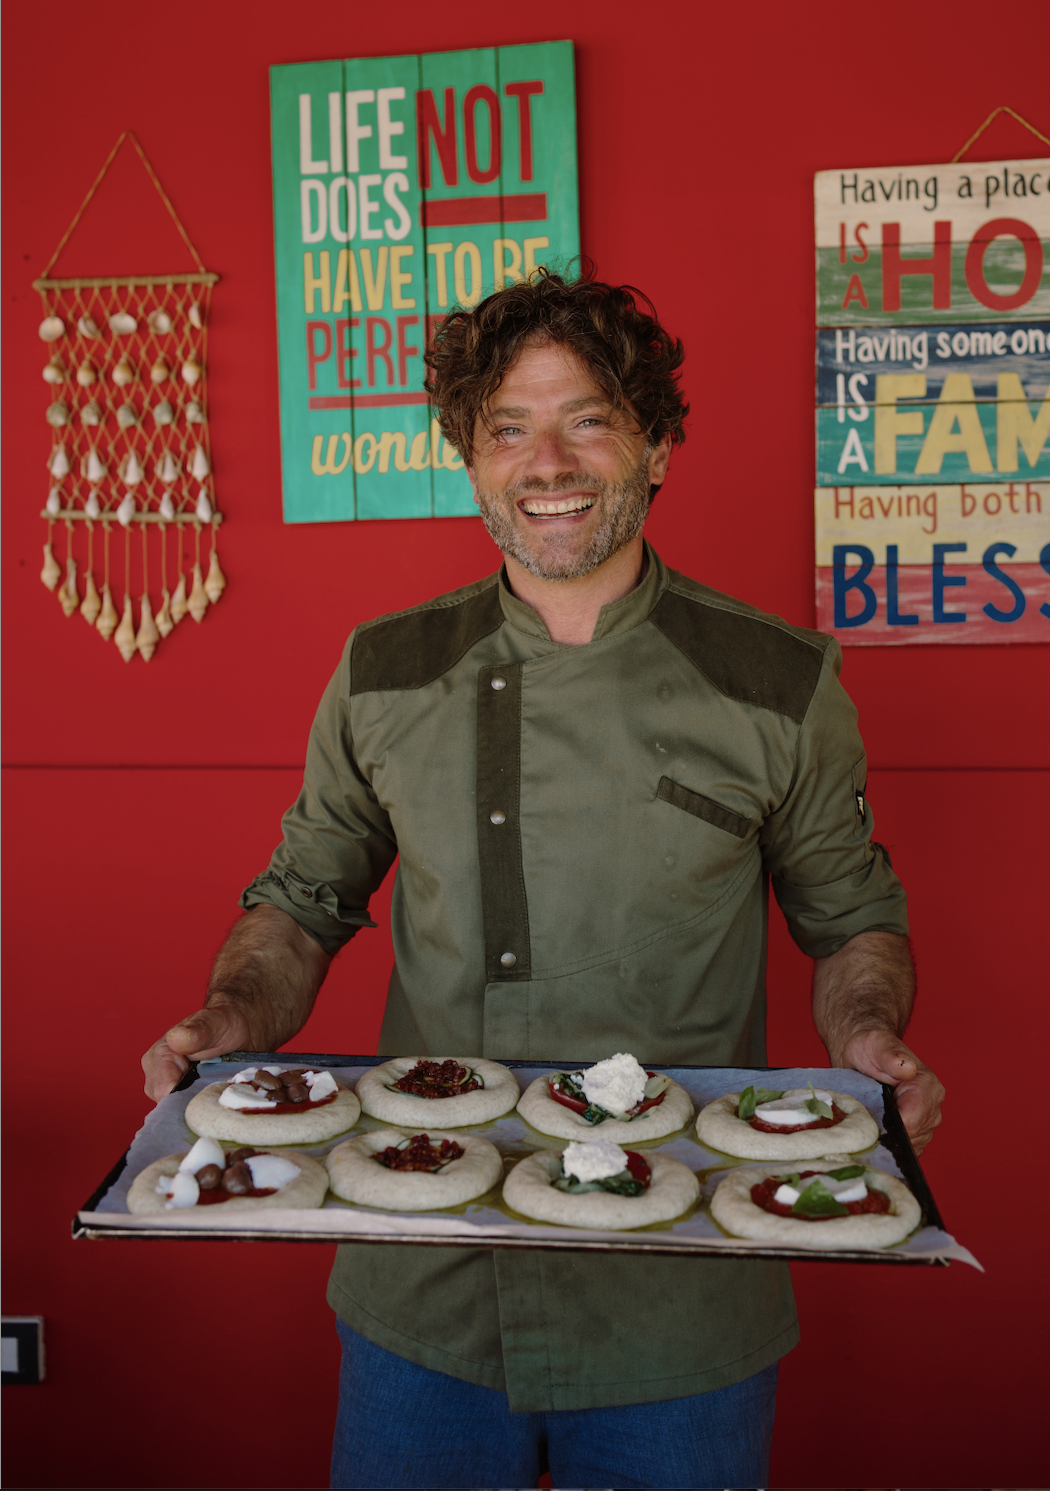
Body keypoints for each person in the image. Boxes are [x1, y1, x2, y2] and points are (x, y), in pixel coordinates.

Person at [143, 271, 944, 1491]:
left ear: (658, 442)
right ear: (466, 459)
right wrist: (231, 1016)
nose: (545, 460)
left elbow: (851, 920)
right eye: (505, 427)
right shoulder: (384, 667)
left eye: (586, 418)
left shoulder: (776, 679)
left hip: (674, 1298)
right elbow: (303, 896)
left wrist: (870, 1034)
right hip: (427, 1281)